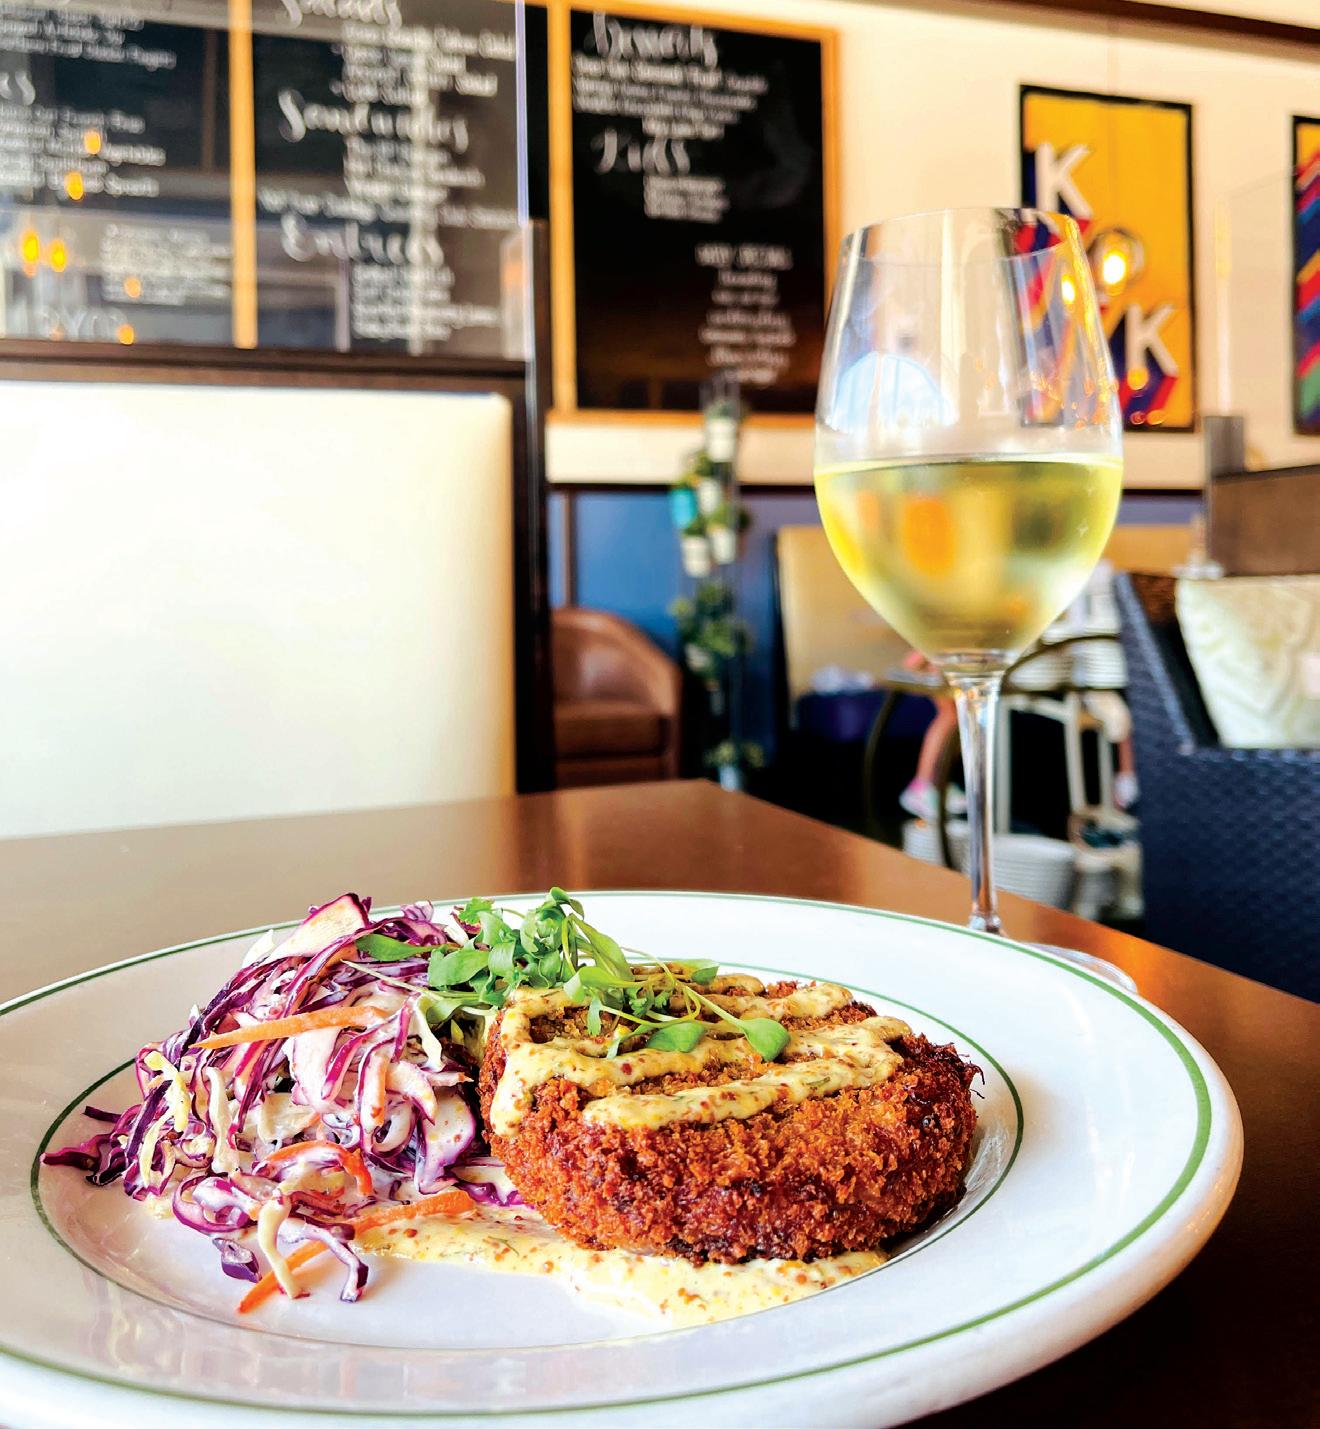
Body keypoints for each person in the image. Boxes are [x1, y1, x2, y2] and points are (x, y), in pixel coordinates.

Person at [898, 649, 967, 820]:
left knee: (958, 719)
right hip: (940, 664)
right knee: (949, 716)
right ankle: (922, 786)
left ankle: (936, 783)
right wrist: (918, 658)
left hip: (949, 663)